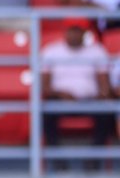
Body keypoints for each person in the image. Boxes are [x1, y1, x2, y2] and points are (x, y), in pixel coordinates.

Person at [40, 18, 113, 162]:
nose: (74, 34)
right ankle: (58, 160)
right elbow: (44, 87)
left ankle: (93, 160)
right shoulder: (51, 51)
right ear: (65, 31)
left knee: (106, 112)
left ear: (85, 32)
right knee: (45, 112)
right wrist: (61, 94)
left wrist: (100, 95)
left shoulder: (97, 51)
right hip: (60, 99)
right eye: (71, 30)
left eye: (78, 31)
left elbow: (104, 85)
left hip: (89, 100)